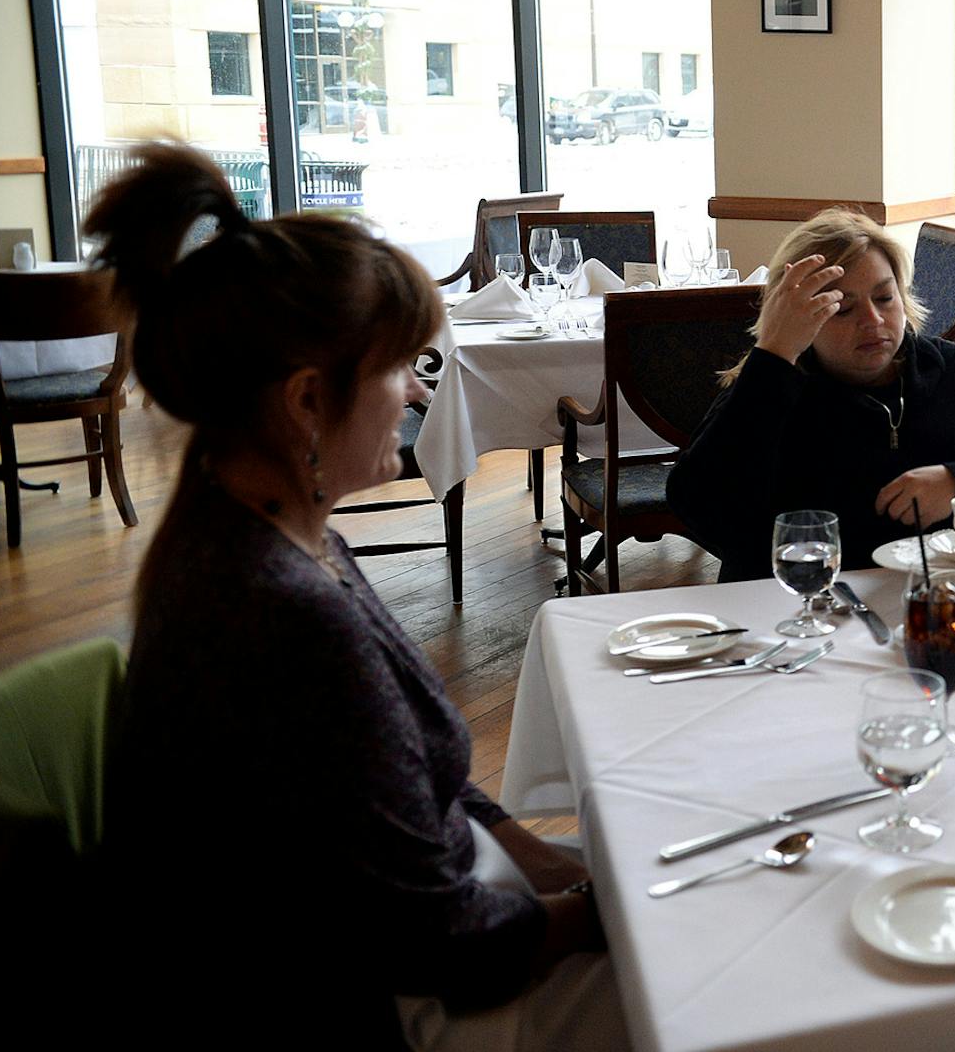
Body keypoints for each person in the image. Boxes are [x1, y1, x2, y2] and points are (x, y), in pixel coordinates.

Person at [90, 144, 622, 1049]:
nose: (418, 387)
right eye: (400, 366)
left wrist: (557, 874)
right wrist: (607, 918)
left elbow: (421, 783)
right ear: (305, 401)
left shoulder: (265, 524)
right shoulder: (280, 611)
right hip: (365, 1002)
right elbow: (444, 945)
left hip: (417, 930)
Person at [668, 209, 955, 577]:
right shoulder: (768, 391)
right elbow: (699, 510)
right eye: (843, 308)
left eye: (885, 297)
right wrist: (773, 357)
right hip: (799, 617)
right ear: (797, 316)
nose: (873, 320)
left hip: (944, 605)